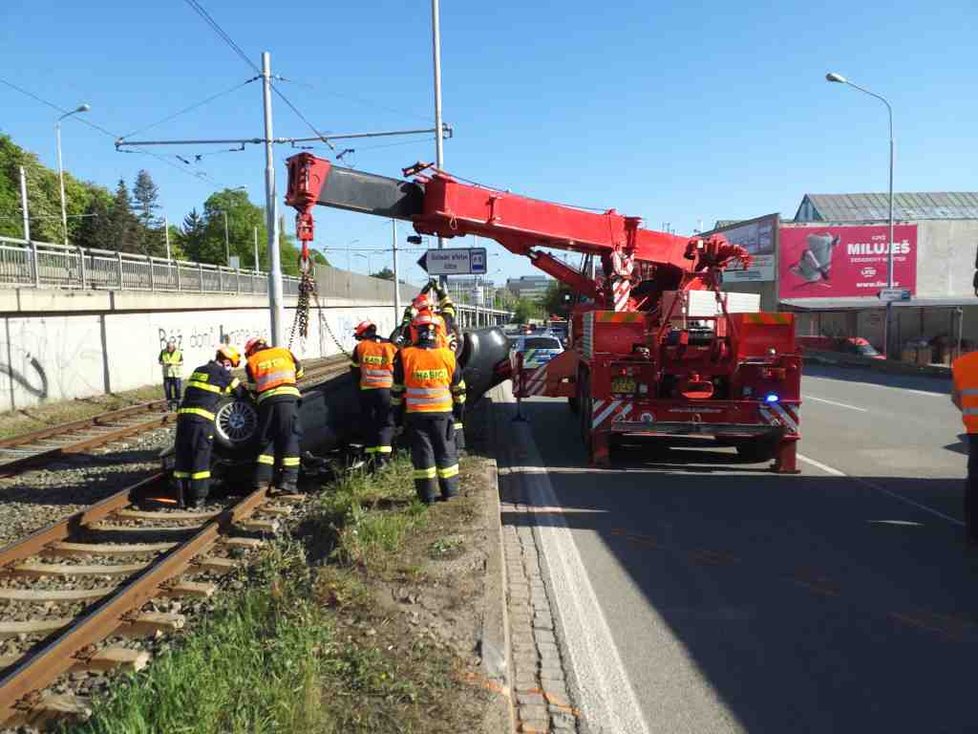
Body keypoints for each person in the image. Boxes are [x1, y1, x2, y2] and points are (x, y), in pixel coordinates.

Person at [392, 314, 466, 504]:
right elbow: (459, 388)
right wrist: (459, 409)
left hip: (416, 414)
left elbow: (397, 389)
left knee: (423, 453)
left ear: (416, 332)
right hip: (443, 413)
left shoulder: (405, 355)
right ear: (438, 332)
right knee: (445, 450)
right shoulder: (448, 355)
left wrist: (396, 415)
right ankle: (449, 492)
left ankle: (427, 497)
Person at [173, 345, 244, 508]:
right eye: (231, 365)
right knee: (201, 458)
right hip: (202, 419)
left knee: (183, 458)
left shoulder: (199, 369)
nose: (231, 369)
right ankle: (198, 499)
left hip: (183, 417)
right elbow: (241, 392)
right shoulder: (222, 373)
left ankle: (181, 499)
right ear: (225, 361)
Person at [245, 337, 304, 494]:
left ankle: (262, 480)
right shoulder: (284, 352)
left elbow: (253, 388)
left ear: (251, 350)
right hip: (289, 398)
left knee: (267, 438)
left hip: (267, 401)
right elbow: (300, 372)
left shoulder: (252, 361)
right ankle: (289, 482)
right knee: (290, 437)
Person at [351, 320, 398, 464]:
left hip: (367, 391)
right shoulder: (391, 346)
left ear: (363, 333)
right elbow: (399, 369)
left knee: (370, 423)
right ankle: (383, 459)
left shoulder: (360, 347)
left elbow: (355, 371)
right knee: (386, 423)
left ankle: (370, 457)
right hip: (387, 390)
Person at [953, 350, 978, 544]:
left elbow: (956, 398)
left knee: (974, 482)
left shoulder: (962, 363)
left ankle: (972, 529)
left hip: (974, 430)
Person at [158, 338, 184, 411]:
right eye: (167, 347)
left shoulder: (178, 352)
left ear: (173, 347)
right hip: (167, 375)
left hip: (176, 375)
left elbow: (181, 362)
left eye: (170, 347)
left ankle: (178, 404)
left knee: (177, 390)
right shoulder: (163, 352)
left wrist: (173, 363)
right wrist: (164, 363)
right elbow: (160, 361)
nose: (168, 349)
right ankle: (169, 405)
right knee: (167, 390)